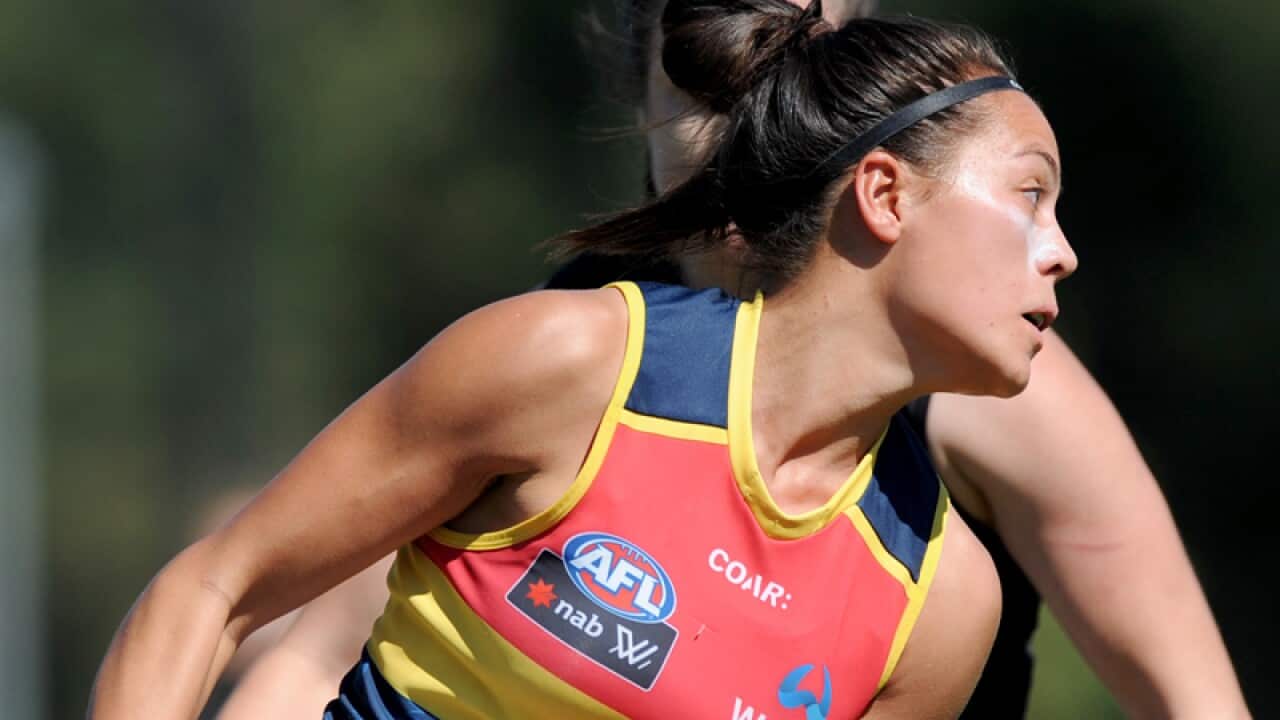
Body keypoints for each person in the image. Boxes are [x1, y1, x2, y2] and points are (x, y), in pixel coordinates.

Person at [215, 1, 1251, 719]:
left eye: (790, 36)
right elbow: (309, 650)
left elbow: (1197, 706)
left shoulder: (996, 384)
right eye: (714, 35)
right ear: (644, 56)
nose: (748, 84)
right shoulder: (565, 350)